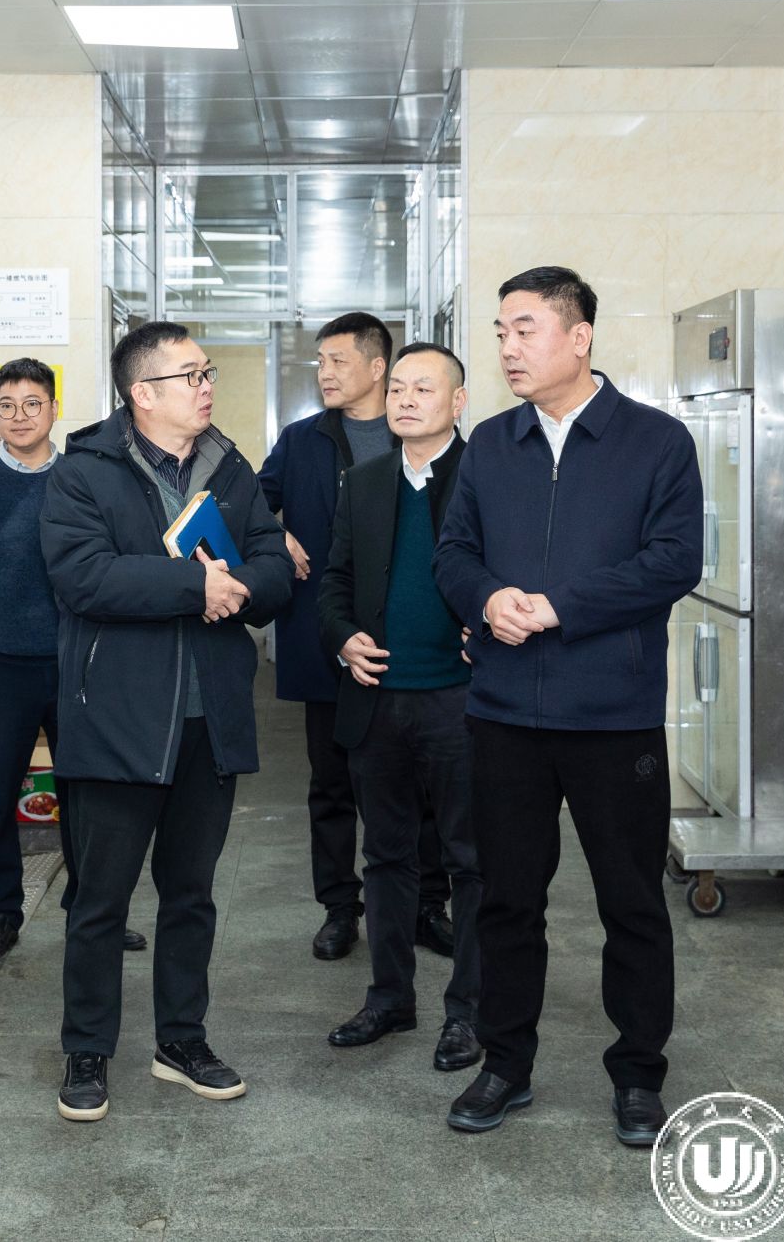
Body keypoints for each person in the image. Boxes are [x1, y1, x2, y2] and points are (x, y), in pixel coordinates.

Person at [433, 267, 702, 1143]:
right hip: (505, 713)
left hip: (613, 716)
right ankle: (505, 1064)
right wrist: (487, 598)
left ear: (578, 337)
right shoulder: (491, 443)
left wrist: (558, 607)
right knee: (507, 900)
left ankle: (639, 1074)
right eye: (501, 332)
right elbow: (453, 552)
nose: (507, 348)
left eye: (525, 329)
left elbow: (674, 560)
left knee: (632, 902)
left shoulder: (655, 442)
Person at [40, 322, 293, 1123]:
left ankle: (182, 1040)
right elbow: (85, 577)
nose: (206, 385)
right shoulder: (84, 471)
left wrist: (239, 586)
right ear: (142, 393)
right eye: (191, 374)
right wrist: (197, 587)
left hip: (208, 719)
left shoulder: (231, 467)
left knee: (191, 894)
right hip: (118, 719)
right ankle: (87, 1047)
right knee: (101, 902)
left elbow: (276, 565)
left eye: (207, 371)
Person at [0, 360, 145, 962]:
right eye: (7, 406)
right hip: (1, 665)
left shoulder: (80, 480)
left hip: (77, 661)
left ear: (53, 409)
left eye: (32, 404)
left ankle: (92, 911)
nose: (19, 416)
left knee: (87, 794)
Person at [259, 311, 452, 963]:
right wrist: (276, 533)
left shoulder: (424, 437)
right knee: (332, 784)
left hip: (414, 647)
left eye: (338, 360)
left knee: (423, 789)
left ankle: (426, 905)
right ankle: (340, 908)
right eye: (320, 362)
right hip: (329, 638)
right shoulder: (302, 439)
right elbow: (248, 502)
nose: (325, 372)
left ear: (378, 366)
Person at [316, 342, 483, 1075]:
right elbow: (334, 580)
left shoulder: (486, 476)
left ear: (458, 401)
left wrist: (490, 628)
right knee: (385, 857)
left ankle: (469, 1011)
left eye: (425, 388)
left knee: (471, 861)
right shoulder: (365, 481)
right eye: (399, 389)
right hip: (377, 700)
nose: (407, 399)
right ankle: (389, 997)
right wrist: (342, 637)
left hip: (462, 704)